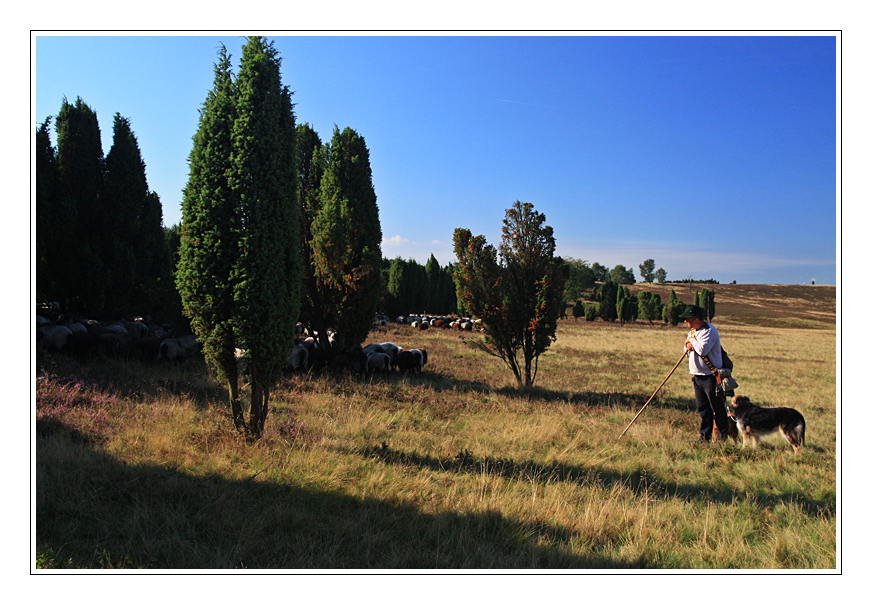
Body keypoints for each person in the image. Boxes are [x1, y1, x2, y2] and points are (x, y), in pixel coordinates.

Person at [679, 304, 730, 443]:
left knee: (717, 409)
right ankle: (704, 437)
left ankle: (721, 440)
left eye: (687, 319)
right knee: (703, 410)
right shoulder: (693, 332)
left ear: (696, 318)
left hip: (711, 377)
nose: (685, 322)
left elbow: (702, 350)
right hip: (697, 376)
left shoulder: (709, 330)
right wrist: (688, 344)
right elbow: (686, 350)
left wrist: (691, 342)